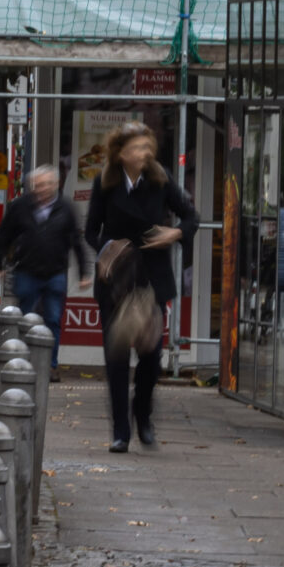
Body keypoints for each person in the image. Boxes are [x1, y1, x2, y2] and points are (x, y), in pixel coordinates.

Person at [85, 124, 199, 453]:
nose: (145, 152)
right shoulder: (104, 182)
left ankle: (143, 414)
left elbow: (191, 217)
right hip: (116, 280)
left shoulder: (160, 180)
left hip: (151, 278)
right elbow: (91, 230)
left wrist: (173, 234)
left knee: (151, 358)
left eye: (148, 146)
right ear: (122, 153)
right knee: (116, 357)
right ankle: (121, 431)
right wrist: (107, 249)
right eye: (138, 148)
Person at [0, 163, 85, 338]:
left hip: (56, 272)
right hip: (26, 271)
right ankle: (22, 357)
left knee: (53, 318)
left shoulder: (66, 209)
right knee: (25, 317)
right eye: (38, 185)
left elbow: (76, 242)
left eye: (46, 184)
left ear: (56, 184)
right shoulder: (19, 207)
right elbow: (3, 236)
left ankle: (50, 363)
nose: (42, 189)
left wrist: (84, 274)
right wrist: (0, 264)